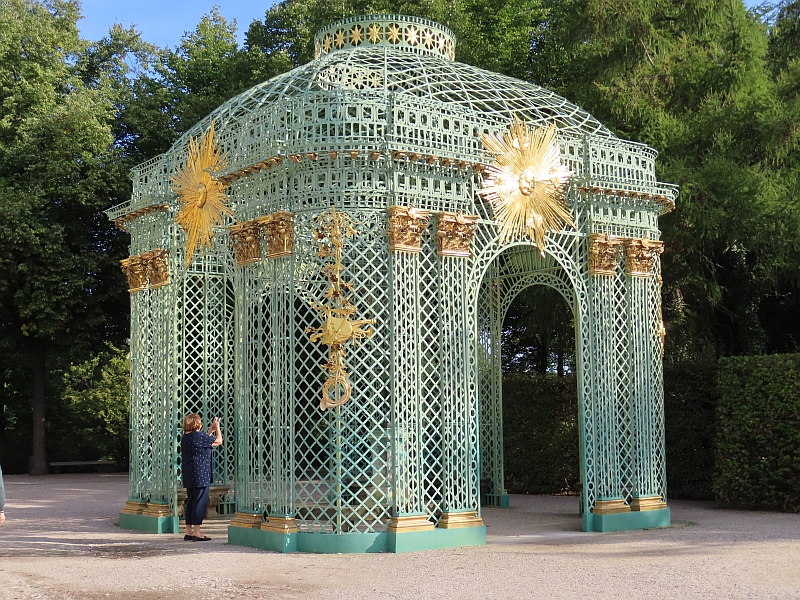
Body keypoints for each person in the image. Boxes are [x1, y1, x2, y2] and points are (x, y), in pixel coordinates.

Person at [180, 413, 222, 541]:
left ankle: (188, 531)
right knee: (199, 503)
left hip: (189, 475)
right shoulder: (199, 436)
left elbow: (202, 443)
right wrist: (217, 427)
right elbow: (219, 441)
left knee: (191, 502)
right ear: (196, 424)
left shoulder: (185, 437)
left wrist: (209, 431)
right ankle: (197, 532)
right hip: (201, 475)